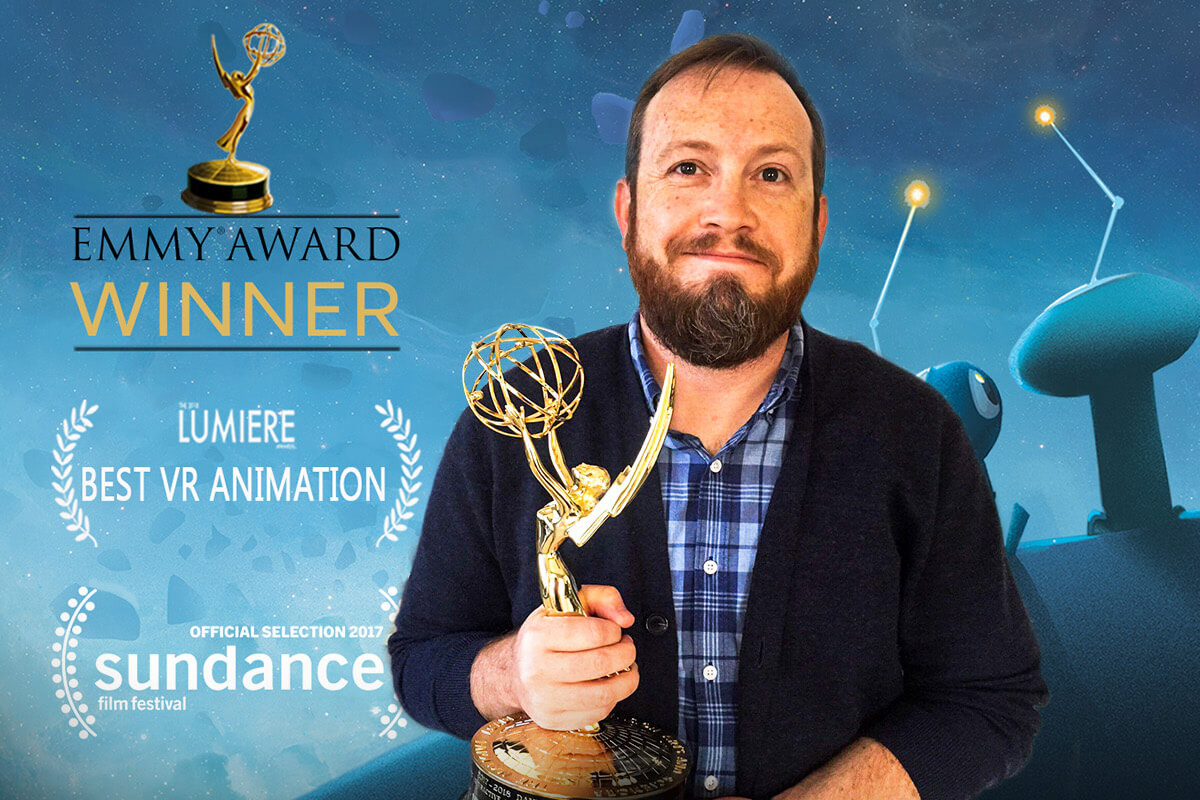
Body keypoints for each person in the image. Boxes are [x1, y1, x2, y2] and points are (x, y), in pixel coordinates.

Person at [389, 33, 1048, 800]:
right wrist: (512, 674)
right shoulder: (516, 413)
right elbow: (422, 661)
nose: (727, 211)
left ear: (817, 223)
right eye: (688, 168)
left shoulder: (916, 434)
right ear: (627, 208)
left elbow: (990, 700)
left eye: (771, 173)